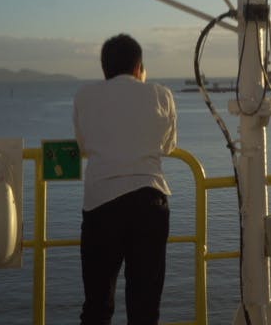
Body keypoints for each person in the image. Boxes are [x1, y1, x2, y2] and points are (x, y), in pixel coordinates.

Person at [73, 34, 178, 325]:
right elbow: (168, 146)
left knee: (97, 304)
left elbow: (83, 145)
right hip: (149, 201)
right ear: (139, 67)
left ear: (104, 68)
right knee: (145, 307)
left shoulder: (85, 96)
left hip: (101, 204)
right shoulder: (161, 94)